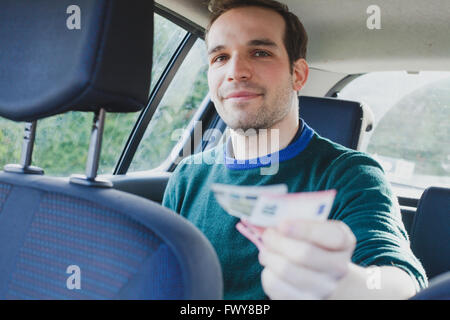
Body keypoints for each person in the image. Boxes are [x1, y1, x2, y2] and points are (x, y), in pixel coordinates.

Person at [162, 0, 427, 299]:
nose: (235, 71)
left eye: (260, 52)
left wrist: (344, 284)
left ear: (298, 75)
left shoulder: (350, 174)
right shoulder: (187, 175)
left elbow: (400, 281)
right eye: (220, 57)